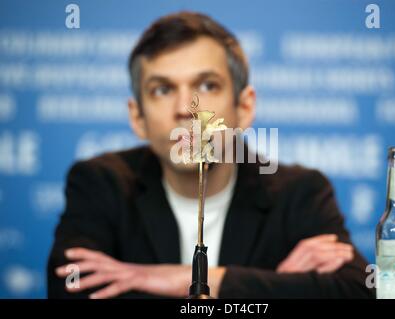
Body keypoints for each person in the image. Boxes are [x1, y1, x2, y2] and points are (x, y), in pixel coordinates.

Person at [47, 11, 374, 299]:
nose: (185, 110)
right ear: (138, 118)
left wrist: (187, 281)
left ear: (244, 107)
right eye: (162, 89)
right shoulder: (100, 184)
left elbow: (359, 291)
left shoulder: (300, 192)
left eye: (206, 86)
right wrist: (274, 287)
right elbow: (71, 289)